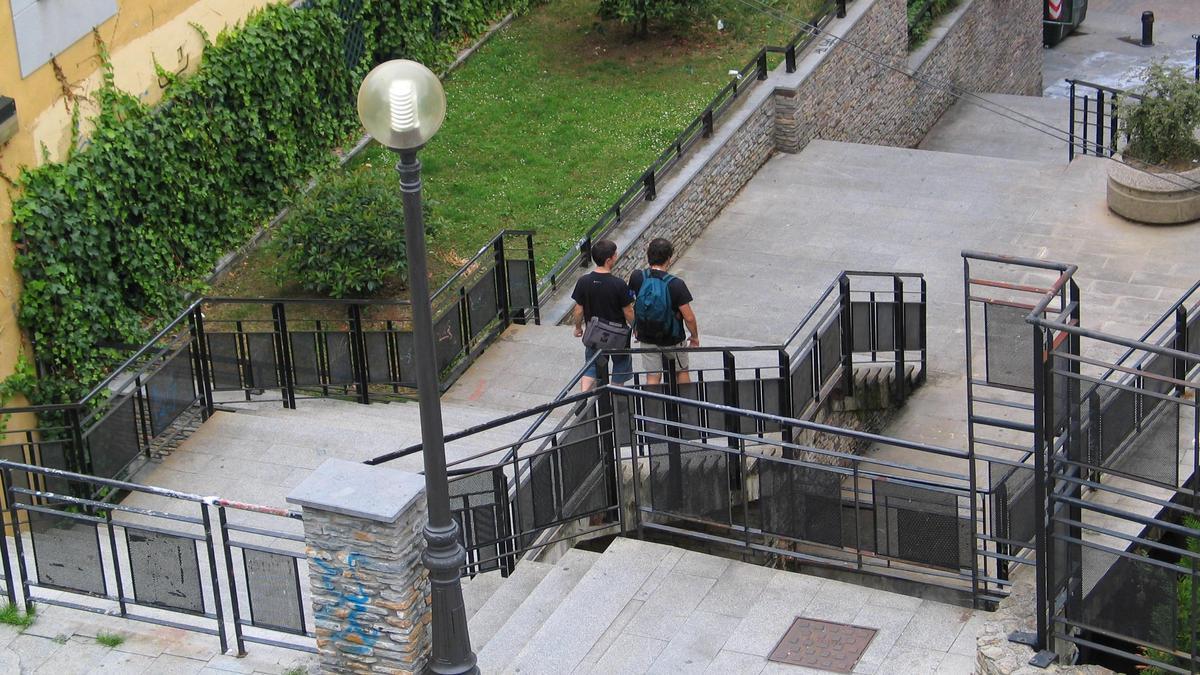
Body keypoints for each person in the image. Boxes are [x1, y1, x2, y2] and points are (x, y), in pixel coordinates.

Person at [629, 237, 699, 385]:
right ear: (668, 258)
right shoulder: (676, 284)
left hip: (647, 336)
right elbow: (689, 317)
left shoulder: (637, 277)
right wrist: (694, 336)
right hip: (672, 337)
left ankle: (653, 407)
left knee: (652, 377)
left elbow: (632, 303)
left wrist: (636, 326)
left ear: (648, 255)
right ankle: (687, 406)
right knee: (681, 372)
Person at [571, 239, 634, 391]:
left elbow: (578, 310)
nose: (616, 256)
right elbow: (628, 311)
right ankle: (616, 397)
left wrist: (578, 328)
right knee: (620, 365)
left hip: (594, 334)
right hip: (617, 336)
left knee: (591, 367)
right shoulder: (618, 284)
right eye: (615, 254)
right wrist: (636, 328)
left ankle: (583, 399)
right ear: (608, 260)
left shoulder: (584, 281)